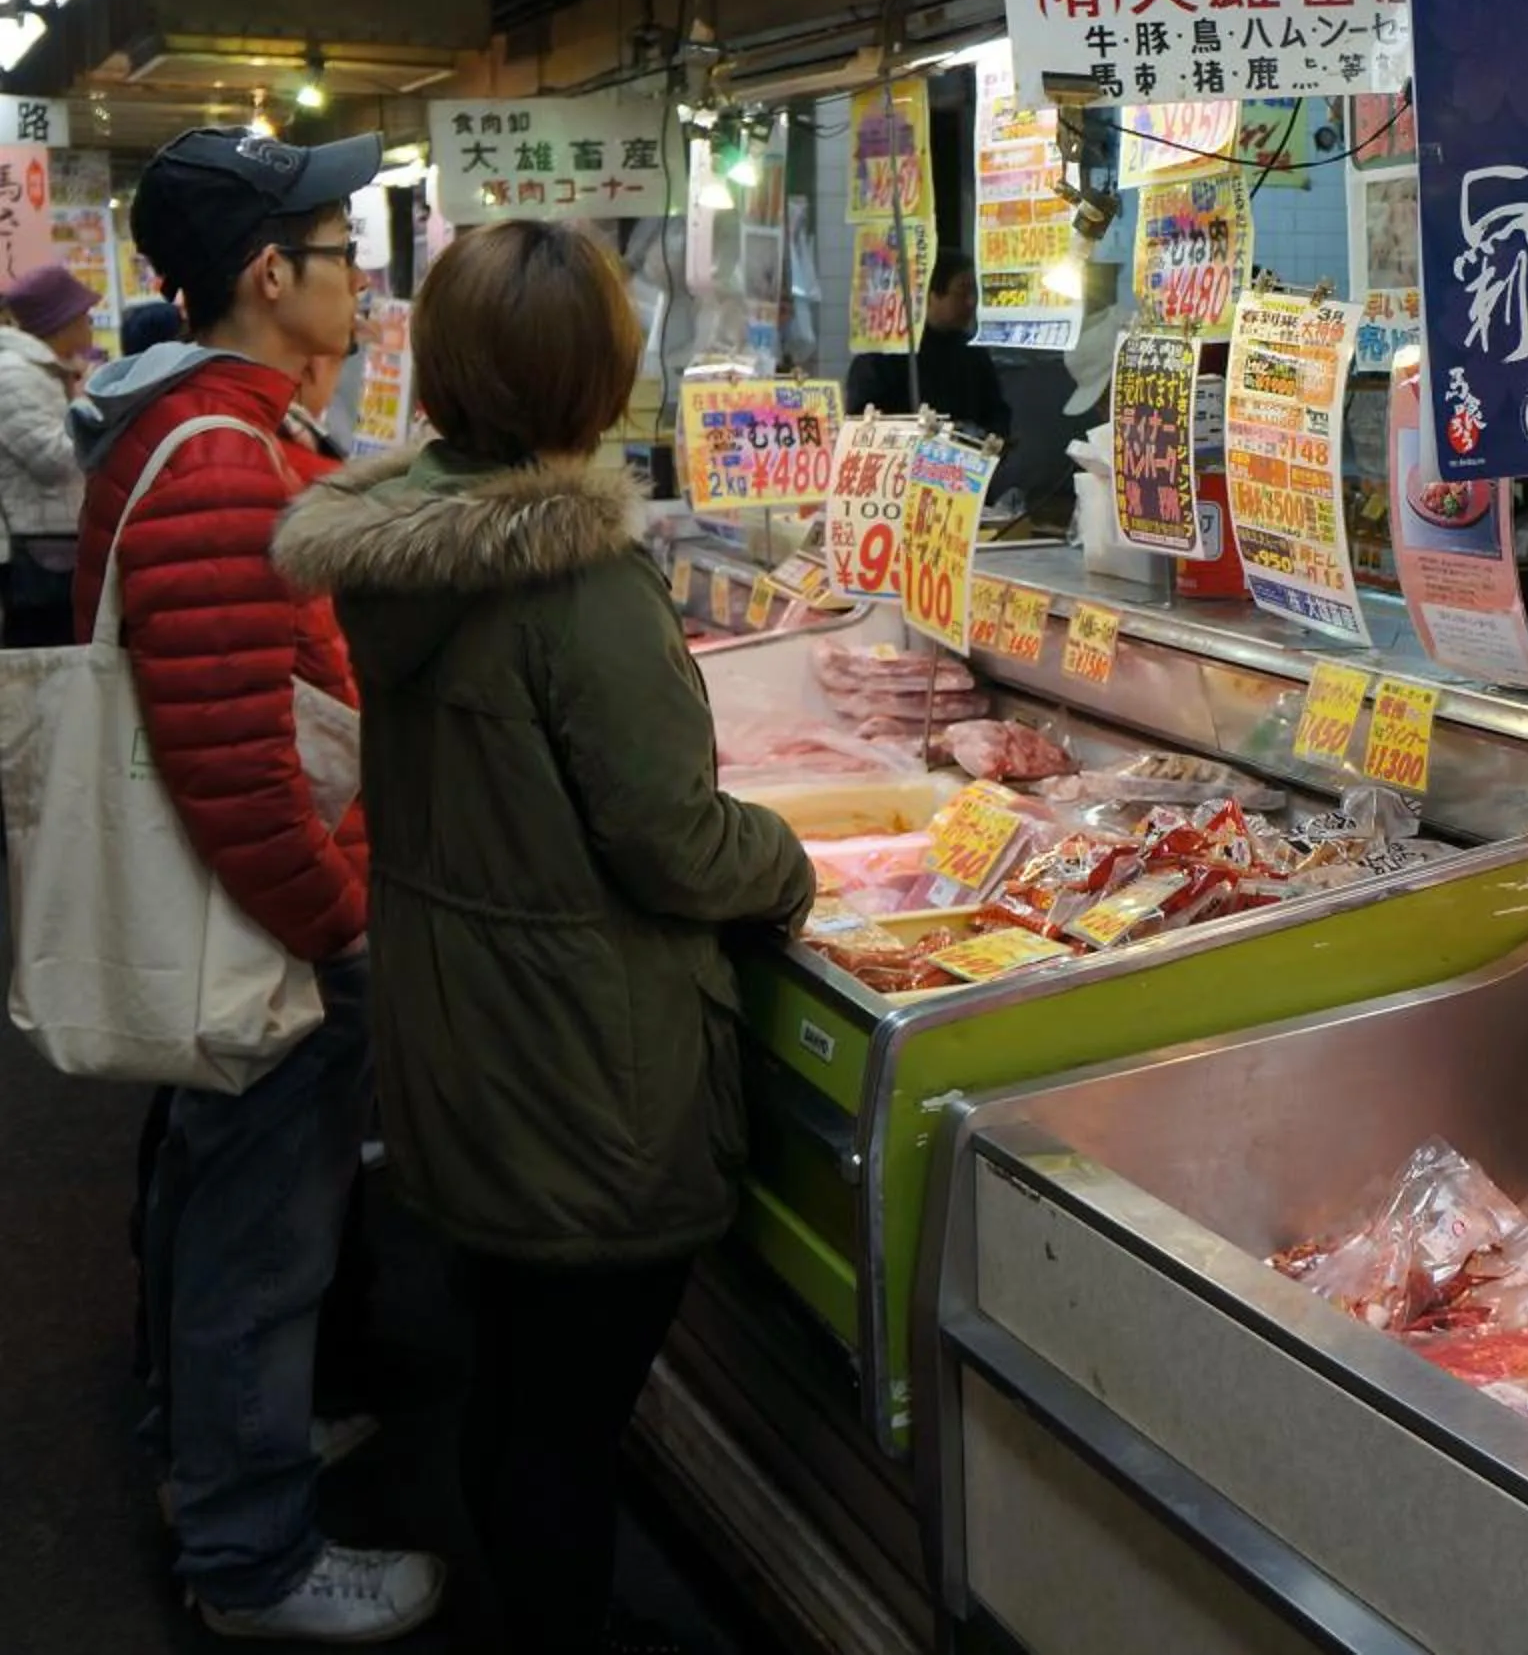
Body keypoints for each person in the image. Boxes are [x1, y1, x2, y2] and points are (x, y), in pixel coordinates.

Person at [274, 219, 814, 1654]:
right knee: (567, 1419)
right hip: (587, 1066)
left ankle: (532, 1610)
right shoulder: (575, 582)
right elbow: (675, 839)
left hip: (462, 1034)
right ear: (600, 380)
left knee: (509, 1380)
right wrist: (793, 859)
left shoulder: (398, 552)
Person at [72, 125, 444, 1641]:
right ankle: (252, 1556)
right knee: (259, 1244)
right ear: (263, 271)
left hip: (252, 924)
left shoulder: (236, 428)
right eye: (341, 246)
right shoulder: (224, 466)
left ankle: (222, 1442)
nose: (363, 272)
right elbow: (239, 777)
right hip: (265, 931)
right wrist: (347, 932)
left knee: (212, 1208)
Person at [0, 263, 95, 646]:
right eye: (83, 314)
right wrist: (97, 417)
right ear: (63, 320)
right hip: (37, 548)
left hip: (52, 540)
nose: (90, 322)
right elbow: (52, 459)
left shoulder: (46, 371)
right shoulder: (16, 375)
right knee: (45, 661)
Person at [842, 253, 1005, 431]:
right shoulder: (886, 353)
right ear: (931, 295)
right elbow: (863, 419)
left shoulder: (974, 351)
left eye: (974, 293)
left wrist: (990, 434)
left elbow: (996, 411)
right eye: (962, 293)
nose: (971, 302)